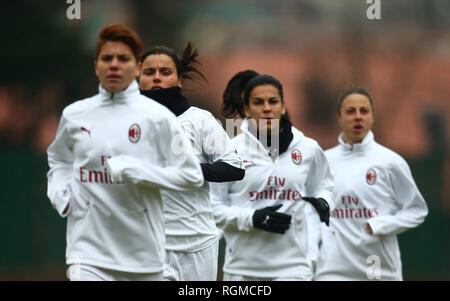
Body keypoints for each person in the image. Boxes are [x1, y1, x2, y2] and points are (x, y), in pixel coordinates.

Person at [46, 24, 204, 281]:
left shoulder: (158, 118)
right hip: (87, 256)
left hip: (143, 259)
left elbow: (191, 175)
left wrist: (140, 172)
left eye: (123, 58)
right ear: (97, 65)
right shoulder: (74, 115)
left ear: (137, 67)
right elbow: (59, 158)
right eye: (107, 58)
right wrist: (59, 193)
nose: (114, 65)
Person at [210, 70, 334, 281]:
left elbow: (324, 185)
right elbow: (212, 208)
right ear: (247, 108)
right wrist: (252, 219)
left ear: (283, 106)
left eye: (273, 101)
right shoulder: (229, 151)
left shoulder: (308, 148)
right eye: (258, 102)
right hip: (242, 270)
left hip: (294, 269)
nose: (267, 108)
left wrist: (324, 200)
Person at [138, 42, 245, 281]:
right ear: (138, 77)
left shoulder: (198, 120)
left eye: (165, 73)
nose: (157, 78)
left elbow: (235, 167)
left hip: (196, 243)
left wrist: (186, 170)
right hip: (147, 244)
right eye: (149, 72)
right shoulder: (128, 124)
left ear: (179, 81)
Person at [314, 86, 429, 281]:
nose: (357, 116)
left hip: (376, 267)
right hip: (332, 270)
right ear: (339, 117)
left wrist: (379, 225)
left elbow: (417, 210)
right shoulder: (324, 161)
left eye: (364, 111)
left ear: (372, 117)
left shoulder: (390, 162)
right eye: (350, 111)